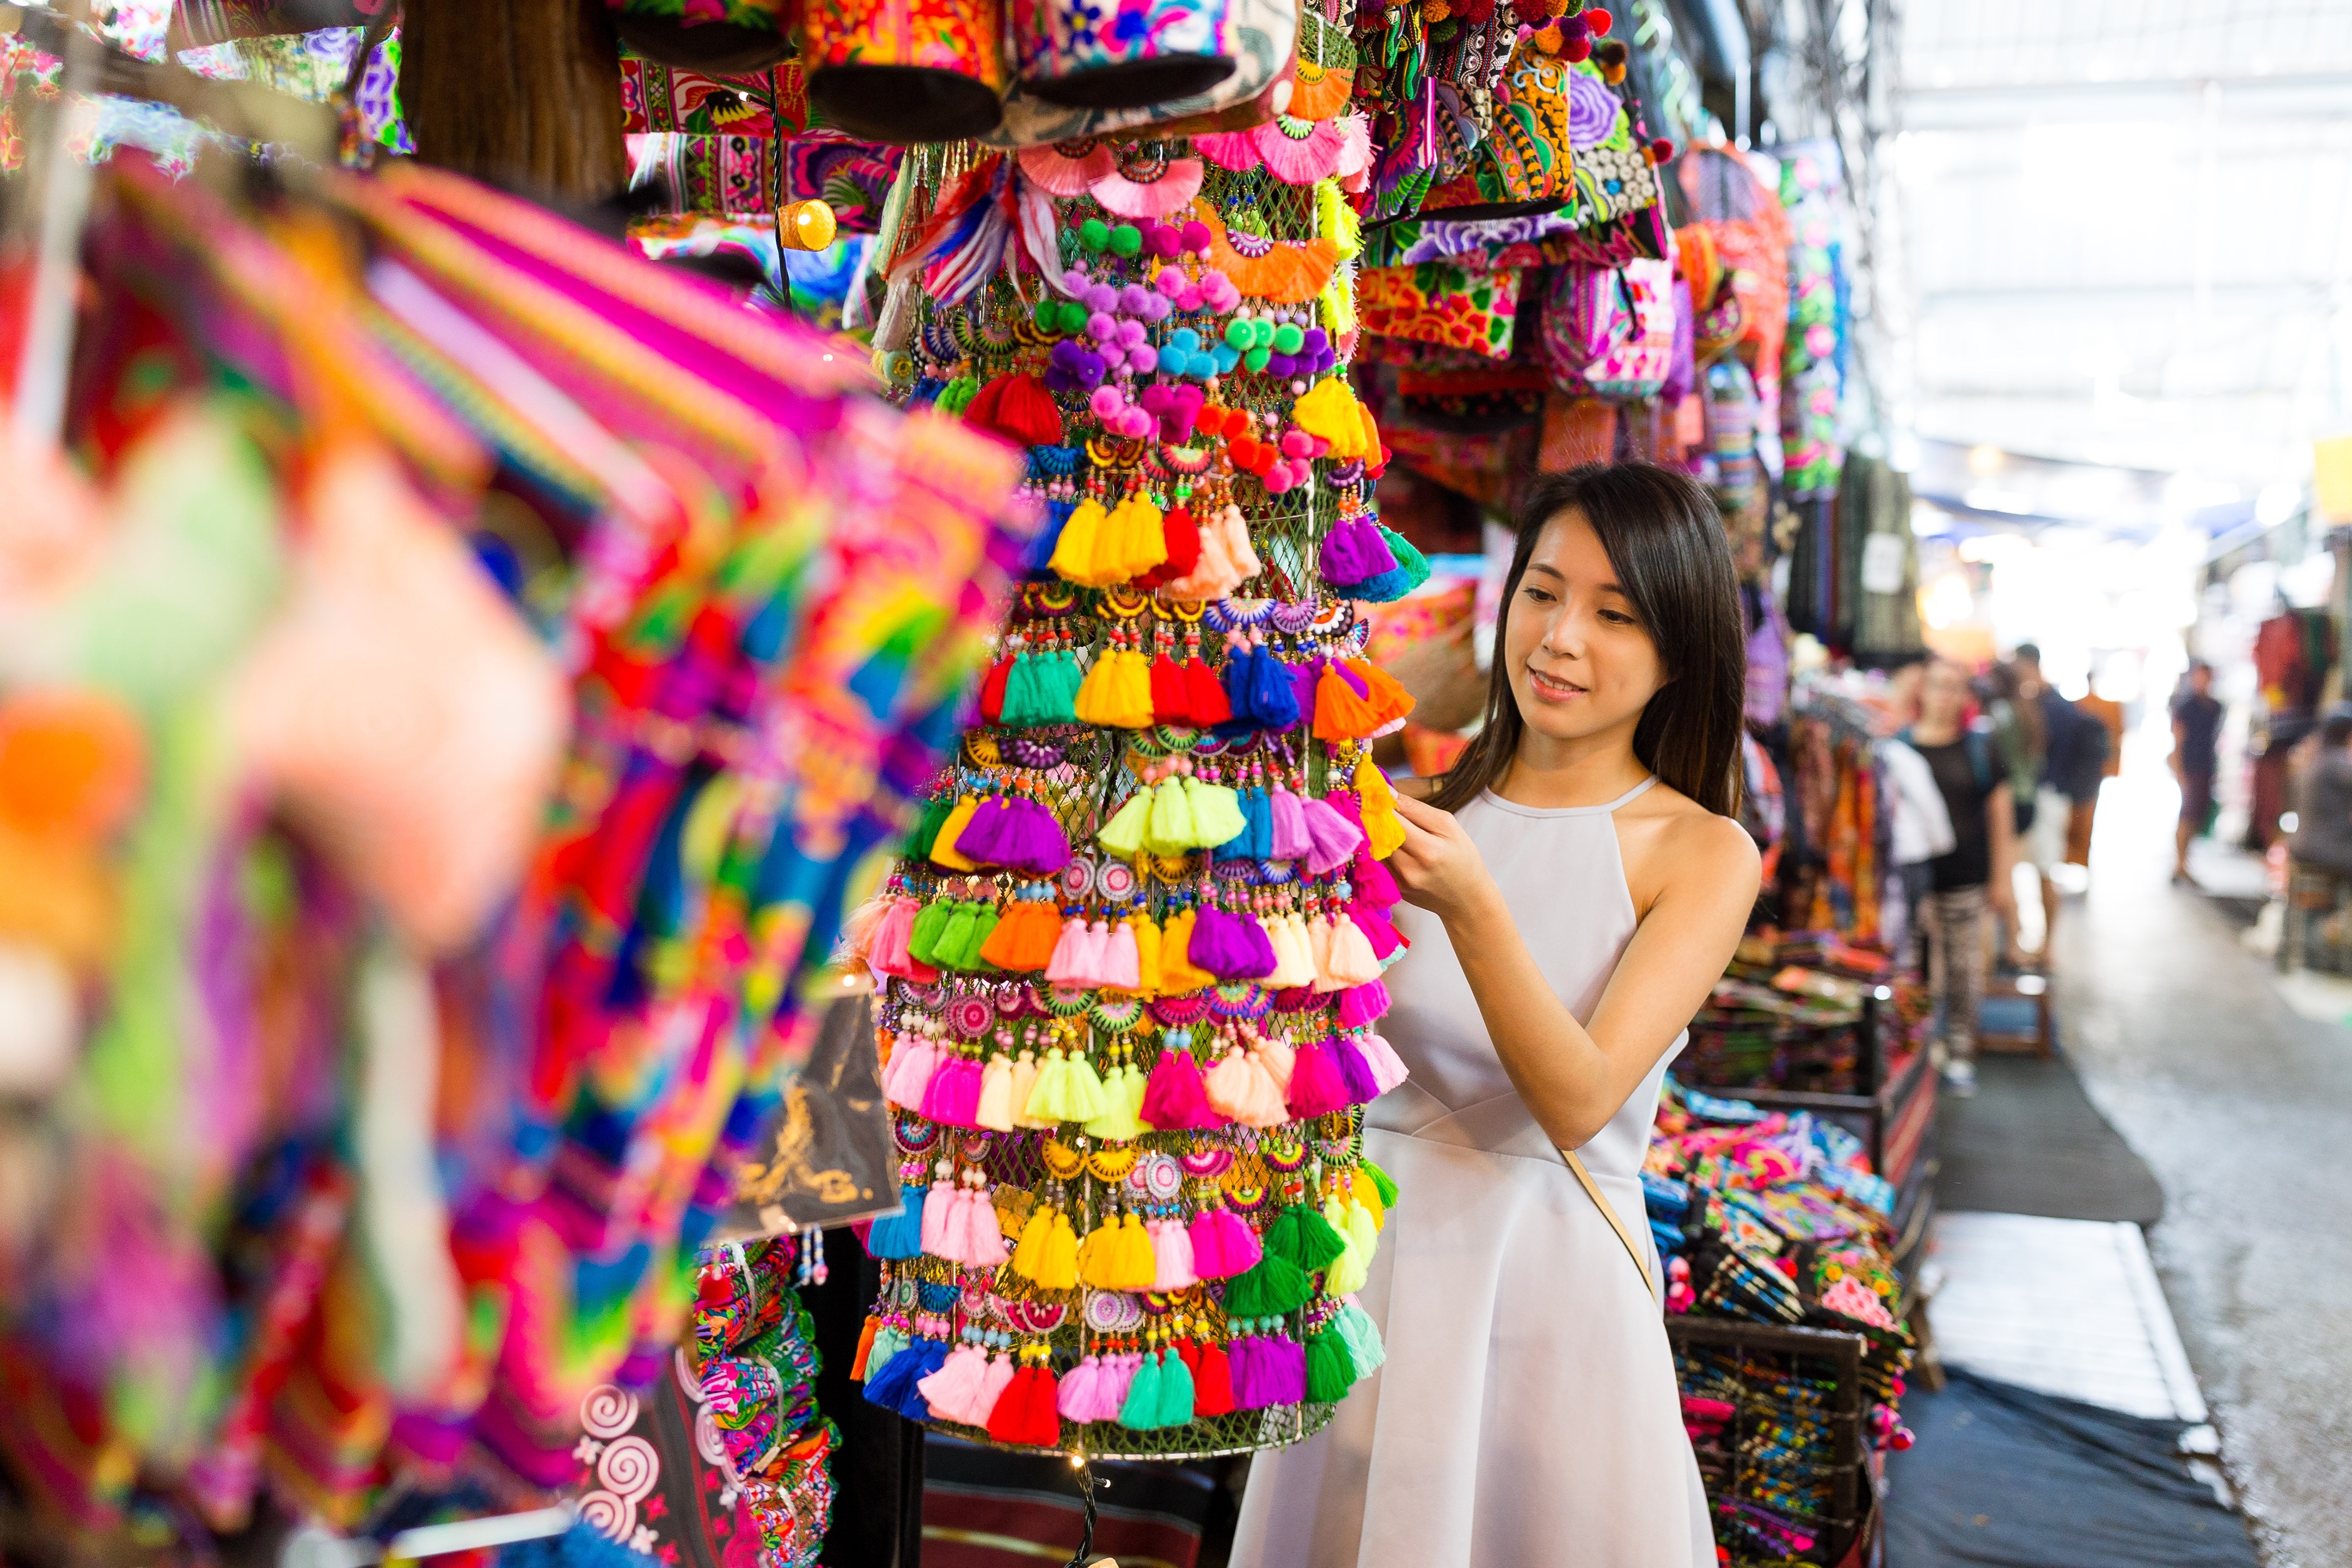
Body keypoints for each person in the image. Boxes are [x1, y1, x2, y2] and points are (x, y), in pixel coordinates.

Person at [1230, 465, 1759, 1568]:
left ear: (1679, 649)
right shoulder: (1414, 811)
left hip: (1550, 1288)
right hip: (1370, 1271)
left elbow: (1576, 1098)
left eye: (1615, 615)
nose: (1561, 639)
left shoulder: (1702, 852)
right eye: (1542, 593)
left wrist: (1474, 902)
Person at [1901, 660, 2015, 1096]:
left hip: (1966, 877)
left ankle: (1961, 1051)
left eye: (1955, 688)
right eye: (1938, 686)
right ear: (1923, 690)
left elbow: (2000, 817)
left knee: (1964, 968)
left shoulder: (1981, 750)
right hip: (1913, 882)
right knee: (1916, 968)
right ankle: (1918, 1049)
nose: (1946, 696)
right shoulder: (1900, 746)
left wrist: (2001, 880)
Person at [2010, 644, 2106, 966]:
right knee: (2034, 870)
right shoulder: (2042, 704)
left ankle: (2047, 945)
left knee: (2044, 871)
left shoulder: (2052, 707)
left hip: (2047, 796)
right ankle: (2030, 942)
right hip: (2041, 795)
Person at [2171, 660, 2224, 883]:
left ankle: (2185, 863)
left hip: (2205, 767)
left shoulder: (2215, 707)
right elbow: (2178, 740)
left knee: (2195, 817)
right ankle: (2180, 864)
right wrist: (2179, 771)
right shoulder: (2185, 706)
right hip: (2190, 767)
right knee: (2186, 815)